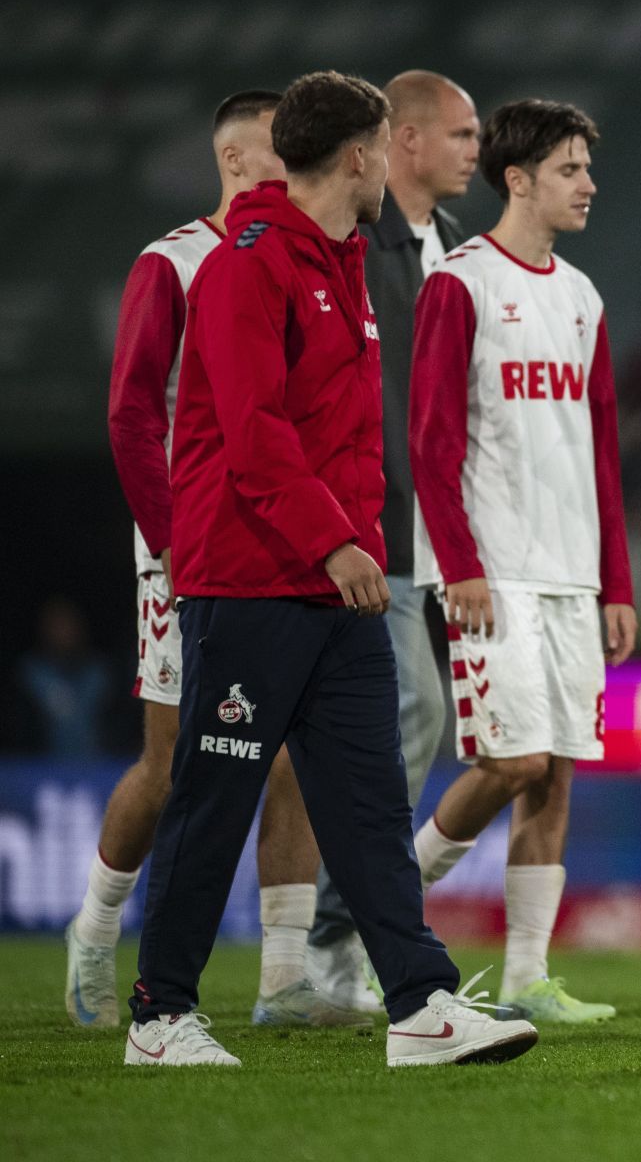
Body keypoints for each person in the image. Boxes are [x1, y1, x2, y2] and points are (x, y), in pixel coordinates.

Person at [126, 70, 535, 1068]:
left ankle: (422, 1001)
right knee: (212, 797)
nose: (387, 162)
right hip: (253, 581)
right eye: (383, 145)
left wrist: (357, 545)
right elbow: (255, 435)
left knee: (366, 807)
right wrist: (338, 539)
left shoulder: (338, 262)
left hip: (332, 584)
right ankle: (159, 1014)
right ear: (358, 157)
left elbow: (336, 433)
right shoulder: (246, 267)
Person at [85, 89, 360, 1032]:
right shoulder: (175, 262)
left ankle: (282, 978)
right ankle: (94, 936)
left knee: (291, 759)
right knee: (174, 766)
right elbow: (131, 414)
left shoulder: (311, 253)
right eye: (283, 150)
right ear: (241, 161)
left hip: (288, 536)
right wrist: (168, 540)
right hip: (189, 542)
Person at [407, 99, 636, 1024]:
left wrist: (616, 580)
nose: (588, 184)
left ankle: (528, 978)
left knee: (558, 771)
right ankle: (375, 907)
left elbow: (603, 450)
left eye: (587, 167)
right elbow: (430, 439)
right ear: (519, 179)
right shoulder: (460, 284)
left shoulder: (582, 298)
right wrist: (457, 562)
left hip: (572, 574)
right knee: (512, 762)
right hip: (491, 569)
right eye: (572, 168)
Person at [306, 69, 478, 1012]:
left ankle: (331, 942)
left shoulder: (451, 249)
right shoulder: (353, 245)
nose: (474, 153)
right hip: (362, 530)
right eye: (459, 135)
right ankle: (334, 937)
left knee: (426, 723)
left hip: (435, 529)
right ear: (402, 143)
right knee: (412, 717)